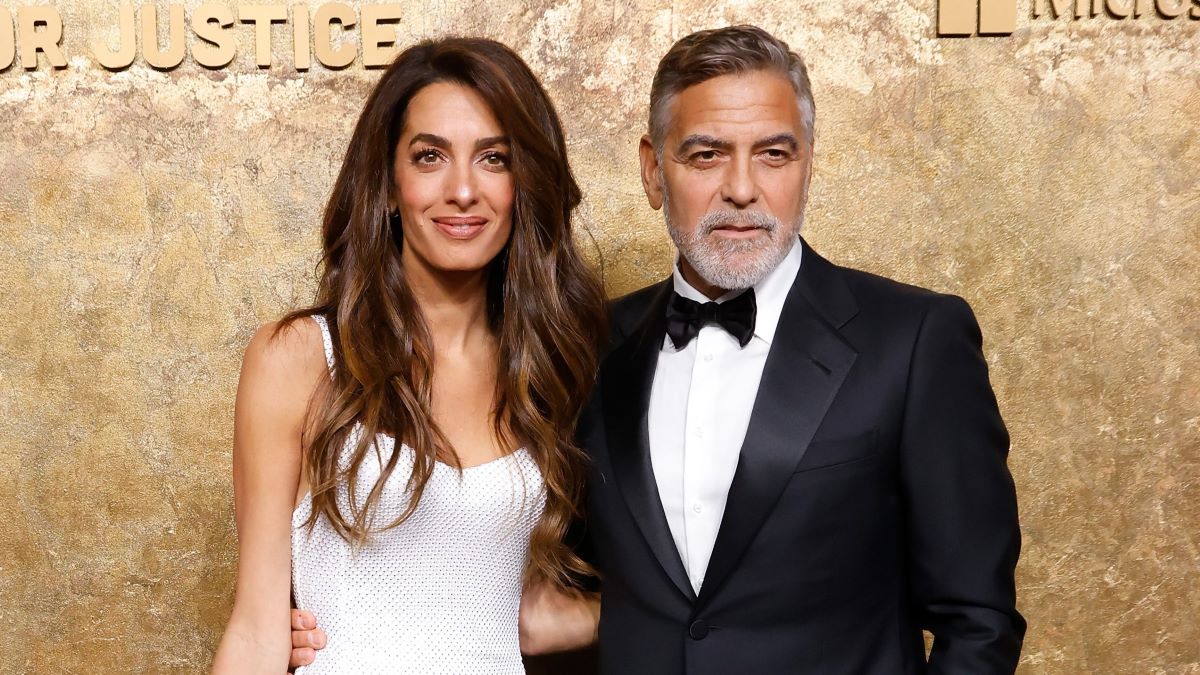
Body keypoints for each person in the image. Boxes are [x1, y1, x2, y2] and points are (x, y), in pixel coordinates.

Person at [291, 25, 1027, 673]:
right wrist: (353, 625)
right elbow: (503, 543)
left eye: (773, 154)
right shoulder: (581, 346)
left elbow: (978, 622)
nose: (742, 188)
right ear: (652, 170)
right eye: (705, 155)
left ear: (807, 163)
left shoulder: (915, 339)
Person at [212, 37, 606, 674]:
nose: (462, 190)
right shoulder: (301, 358)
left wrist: (601, 616)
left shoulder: (549, 367)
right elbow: (257, 631)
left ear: (522, 183)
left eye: (494, 159)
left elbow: (511, 599)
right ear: (389, 184)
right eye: (429, 157)